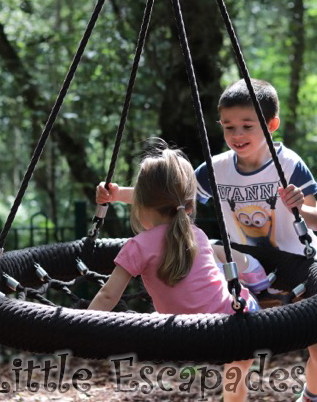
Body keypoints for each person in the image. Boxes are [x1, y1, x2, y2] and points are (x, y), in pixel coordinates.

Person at [194, 78, 317, 402]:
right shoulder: (215, 169)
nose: (237, 135)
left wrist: (300, 204)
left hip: (297, 265)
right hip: (247, 269)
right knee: (239, 353)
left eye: (247, 126)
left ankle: (311, 395)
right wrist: (122, 196)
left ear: (271, 125)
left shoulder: (288, 165)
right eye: (228, 127)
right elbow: (173, 198)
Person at [89, 139, 259, 402]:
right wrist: (121, 193)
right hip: (232, 325)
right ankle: (257, 276)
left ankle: (253, 273)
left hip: (183, 335)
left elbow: (108, 297)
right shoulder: (197, 235)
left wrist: (79, 326)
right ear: (188, 205)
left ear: (140, 204)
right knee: (238, 360)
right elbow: (163, 198)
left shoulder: (138, 246)